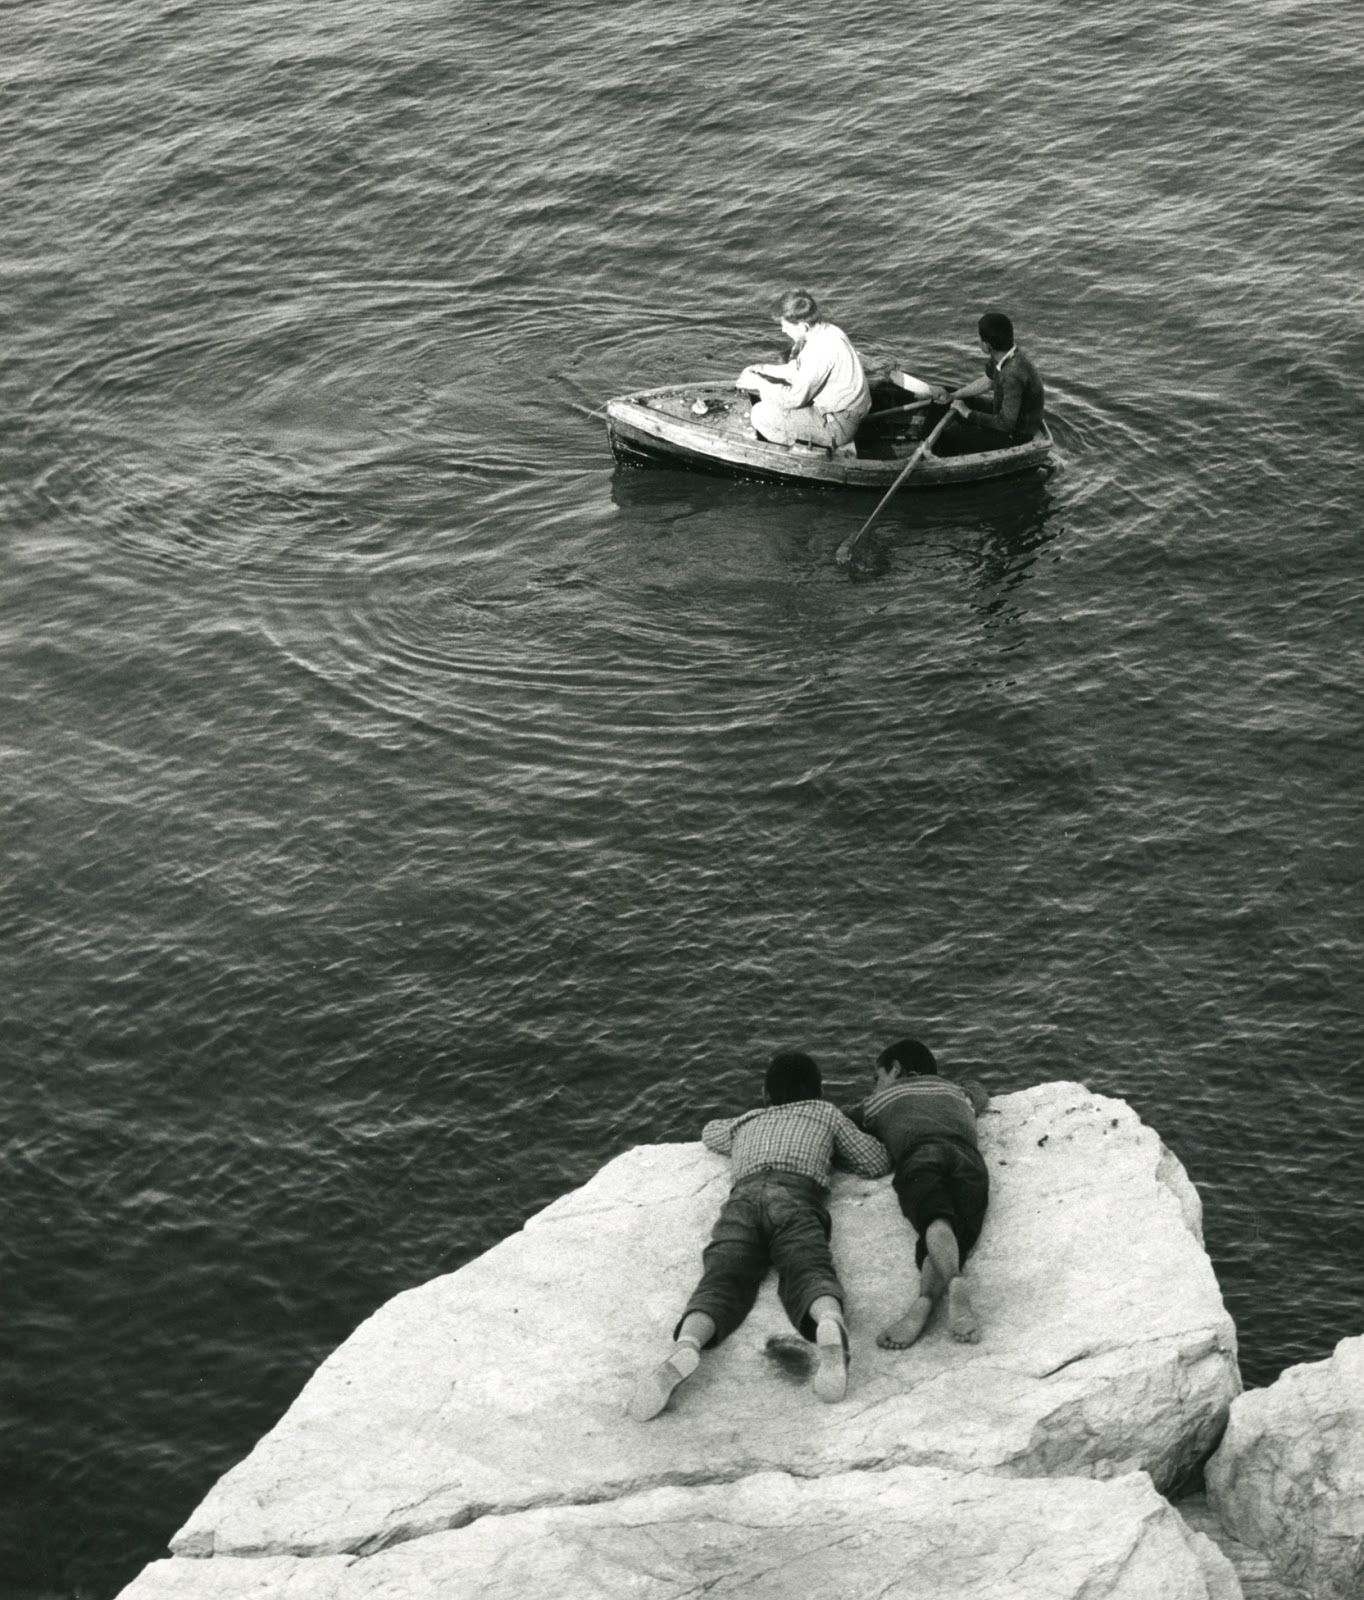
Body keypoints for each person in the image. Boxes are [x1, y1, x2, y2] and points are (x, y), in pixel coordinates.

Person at [629, 1048, 890, 1421]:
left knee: (721, 1277)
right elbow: (875, 1161)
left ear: (766, 1094)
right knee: (808, 1267)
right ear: (818, 1091)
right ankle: (829, 1324)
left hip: (744, 1198)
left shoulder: (749, 1120)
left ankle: (687, 1344)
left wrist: (753, 1120)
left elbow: (709, 1132)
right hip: (795, 1196)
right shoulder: (825, 1113)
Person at [850, 1037, 990, 1350]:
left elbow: (844, 1125)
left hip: (919, 1154)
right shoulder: (957, 1092)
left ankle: (932, 1295)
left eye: (878, 1077)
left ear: (895, 1069)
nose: (876, 1086)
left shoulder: (877, 1102)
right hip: (967, 1157)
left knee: (935, 1216)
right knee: (958, 1227)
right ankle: (945, 1291)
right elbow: (979, 1092)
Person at [736, 290, 872, 450]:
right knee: (769, 393)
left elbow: (793, 400)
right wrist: (764, 369)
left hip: (839, 425)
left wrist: (759, 383)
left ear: (803, 326)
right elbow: (800, 370)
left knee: (760, 414)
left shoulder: (819, 351)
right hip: (847, 410)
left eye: (786, 326)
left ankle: (798, 451)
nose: (783, 330)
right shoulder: (828, 331)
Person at [936, 310, 1045, 452]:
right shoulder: (1004, 355)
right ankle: (925, 441)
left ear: (988, 346)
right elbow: (989, 381)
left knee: (951, 436)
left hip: (1016, 434)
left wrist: (967, 413)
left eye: (979, 337)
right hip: (1001, 413)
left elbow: (1006, 424)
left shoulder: (1013, 373)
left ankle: (932, 456)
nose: (977, 340)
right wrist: (953, 396)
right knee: (947, 395)